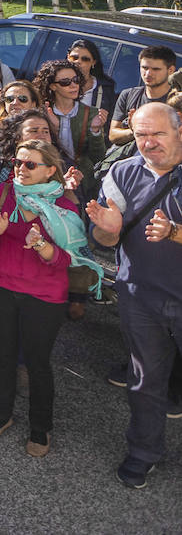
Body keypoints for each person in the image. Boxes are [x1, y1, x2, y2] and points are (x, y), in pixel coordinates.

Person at [0, 139, 98, 458]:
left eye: (30, 165)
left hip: (44, 296)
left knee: (37, 363)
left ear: (50, 171)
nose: (21, 169)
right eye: (18, 162)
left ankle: (40, 428)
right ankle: (2, 415)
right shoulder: (2, 193)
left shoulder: (64, 207)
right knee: (2, 356)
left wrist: (45, 248)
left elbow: (69, 259)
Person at [86, 102, 182, 488]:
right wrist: (108, 230)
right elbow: (104, 238)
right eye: (141, 134)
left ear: (178, 130)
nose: (148, 143)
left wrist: (175, 233)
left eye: (157, 133)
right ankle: (143, 453)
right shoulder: (122, 172)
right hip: (140, 296)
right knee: (145, 381)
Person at [34, 59, 108, 191]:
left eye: (76, 80)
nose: (73, 85)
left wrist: (95, 131)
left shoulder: (91, 113)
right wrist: (54, 130)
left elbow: (98, 157)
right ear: (52, 86)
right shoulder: (42, 113)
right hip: (47, 178)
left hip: (81, 182)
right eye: (65, 82)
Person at [107, 45, 176, 150]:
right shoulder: (128, 95)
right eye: (144, 68)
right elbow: (113, 135)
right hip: (123, 160)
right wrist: (135, 131)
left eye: (155, 69)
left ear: (170, 70)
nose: (148, 73)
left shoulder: (176, 101)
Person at [0, 79, 41, 153]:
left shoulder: (43, 128)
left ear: (33, 104)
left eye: (22, 99)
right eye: (9, 99)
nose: (15, 103)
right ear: (4, 103)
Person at [68, 38, 117, 113]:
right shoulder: (55, 82)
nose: (78, 61)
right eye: (74, 58)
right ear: (68, 57)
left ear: (93, 62)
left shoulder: (105, 88)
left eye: (85, 59)